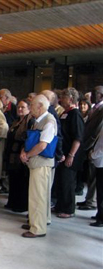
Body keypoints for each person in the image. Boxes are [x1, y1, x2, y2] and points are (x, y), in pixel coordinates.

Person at [20, 94, 58, 238]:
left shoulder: (49, 121)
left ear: (41, 106)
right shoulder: (38, 121)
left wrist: (27, 155)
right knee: (41, 195)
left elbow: (42, 145)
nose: (30, 109)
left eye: (32, 106)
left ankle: (37, 228)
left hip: (41, 163)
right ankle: (41, 220)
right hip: (37, 162)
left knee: (38, 196)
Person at [54, 87, 85, 219]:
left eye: (64, 97)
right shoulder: (64, 113)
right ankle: (60, 204)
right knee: (61, 181)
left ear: (71, 99)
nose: (61, 100)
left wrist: (71, 155)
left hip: (71, 154)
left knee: (68, 182)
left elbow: (78, 137)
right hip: (62, 153)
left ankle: (68, 208)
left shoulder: (75, 114)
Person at [5, 99, 33, 212]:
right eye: (19, 107)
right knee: (13, 179)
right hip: (12, 154)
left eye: (23, 107)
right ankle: (12, 201)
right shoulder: (16, 121)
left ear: (29, 109)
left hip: (21, 154)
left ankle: (21, 204)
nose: (20, 109)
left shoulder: (30, 121)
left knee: (21, 180)